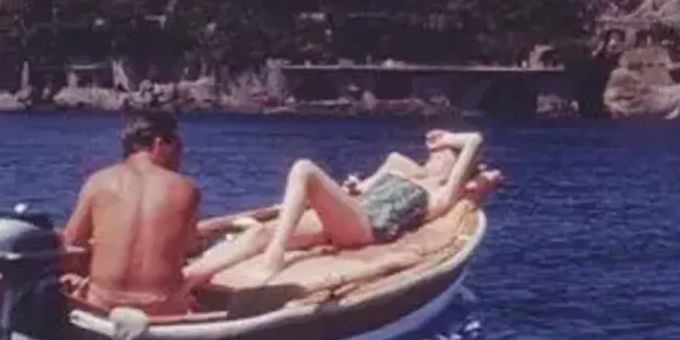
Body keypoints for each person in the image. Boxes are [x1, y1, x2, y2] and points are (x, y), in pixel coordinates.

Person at [183, 129, 504, 288]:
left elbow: (474, 139)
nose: (435, 154)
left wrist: (451, 137)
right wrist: (353, 187)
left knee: (304, 169)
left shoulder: (441, 193)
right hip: (349, 216)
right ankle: (186, 281)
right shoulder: (401, 169)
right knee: (261, 233)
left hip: (364, 228)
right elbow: (363, 189)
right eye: (434, 152)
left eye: (445, 154)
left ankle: (274, 259)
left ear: (455, 166)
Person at [59, 110, 202, 315]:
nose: (180, 154)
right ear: (159, 144)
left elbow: (72, 243)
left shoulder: (98, 182)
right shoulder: (187, 188)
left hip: (103, 306)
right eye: (178, 146)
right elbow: (190, 247)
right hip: (160, 309)